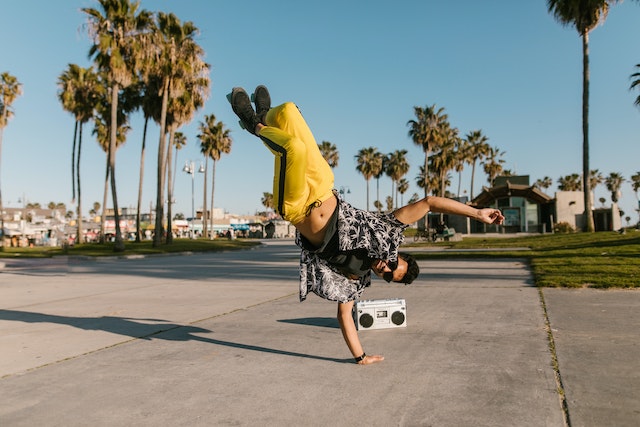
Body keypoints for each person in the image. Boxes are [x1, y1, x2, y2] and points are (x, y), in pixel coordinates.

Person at [228, 85, 505, 365]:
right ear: (397, 255)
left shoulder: (354, 279)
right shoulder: (386, 230)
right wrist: (477, 213)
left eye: (388, 277)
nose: (386, 269)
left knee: (293, 148)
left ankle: (254, 125)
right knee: (288, 111)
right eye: (394, 266)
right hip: (323, 188)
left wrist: (360, 356)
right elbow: (430, 202)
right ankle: (265, 115)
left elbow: (344, 316)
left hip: (297, 205)